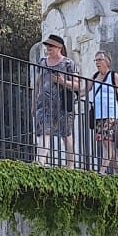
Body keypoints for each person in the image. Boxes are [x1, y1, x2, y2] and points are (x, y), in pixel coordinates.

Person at [33, 34, 78, 166]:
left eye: (51, 46)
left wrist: (62, 82)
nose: (48, 48)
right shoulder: (42, 62)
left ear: (59, 47)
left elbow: (77, 85)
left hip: (63, 105)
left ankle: (70, 167)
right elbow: (38, 83)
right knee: (43, 132)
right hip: (44, 105)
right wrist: (33, 102)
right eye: (47, 46)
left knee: (66, 135)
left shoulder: (68, 63)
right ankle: (40, 162)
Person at [87, 49, 118, 175]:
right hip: (98, 116)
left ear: (107, 61)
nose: (97, 62)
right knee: (106, 144)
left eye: (99, 59)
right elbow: (84, 90)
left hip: (111, 114)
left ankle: (102, 171)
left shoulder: (113, 76)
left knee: (108, 143)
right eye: (96, 60)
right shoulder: (94, 77)